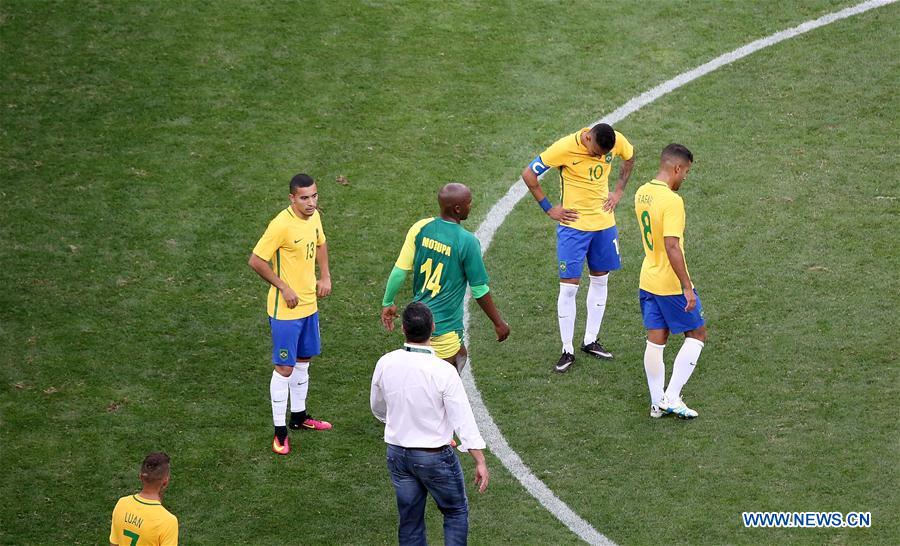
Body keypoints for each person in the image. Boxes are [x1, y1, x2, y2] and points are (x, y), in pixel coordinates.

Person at [371, 302, 489, 546]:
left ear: (403, 329)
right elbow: (463, 419)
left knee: (410, 521)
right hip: (434, 456)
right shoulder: (443, 371)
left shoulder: (385, 363)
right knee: (455, 512)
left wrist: (400, 421)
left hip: (398, 454)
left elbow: (378, 407)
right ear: (433, 328)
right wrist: (479, 459)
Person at [521, 122, 635, 373]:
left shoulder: (614, 142)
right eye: (597, 152)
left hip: (604, 226)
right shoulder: (563, 148)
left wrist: (618, 192)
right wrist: (549, 208)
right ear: (588, 139)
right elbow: (529, 174)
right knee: (569, 288)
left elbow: (630, 156)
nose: (600, 157)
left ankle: (590, 340)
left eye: (605, 155)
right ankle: (567, 349)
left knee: (601, 281)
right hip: (574, 228)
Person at [381, 183, 509, 372]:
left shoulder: (420, 227)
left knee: (458, 357)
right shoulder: (467, 242)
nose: (471, 206)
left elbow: (400, 271)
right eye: (469, 202)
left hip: (417, 324)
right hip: (444, 330)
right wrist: (499, 323)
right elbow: (480, 290)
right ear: (457, 209)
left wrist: (388, 301)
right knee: (443, 388)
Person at [249, 173, 333, 456]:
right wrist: (283, 286)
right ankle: (280, 432)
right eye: (305, 198)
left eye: (314, 196)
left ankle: (299, 417)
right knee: (284, 368)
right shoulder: (281, 225)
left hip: (309, 305)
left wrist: (325, 276)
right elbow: (256, 260)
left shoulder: (314, 217)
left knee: (304, 361)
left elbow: (320, 243)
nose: (311, 203)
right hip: (286, 311)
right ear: (292, 198)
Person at [633, 143, 707, 419]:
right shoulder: (672, 201)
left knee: (656, 340)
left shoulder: (642, 193)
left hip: (648, 277)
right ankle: (672, 396)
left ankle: (657, 404)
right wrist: (687, 286)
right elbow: (672, 246)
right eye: (685, 172)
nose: (684, 177)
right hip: (668, 282)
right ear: (677, 167)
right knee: (697, 334)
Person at [109, 452, 178, 546]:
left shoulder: (122, 504)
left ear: (140, 476)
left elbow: (114, 544)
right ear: (165, 482)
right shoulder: (168, 522)